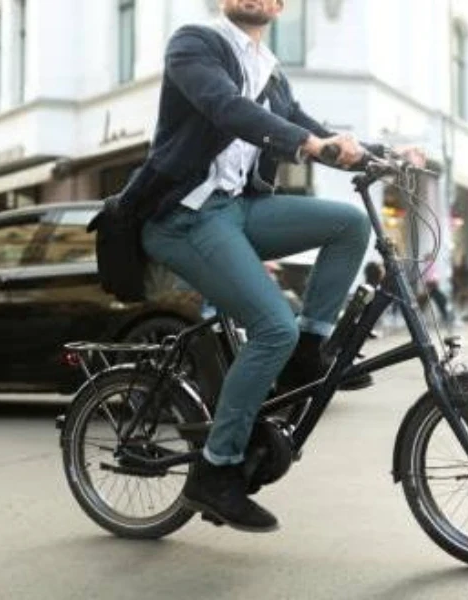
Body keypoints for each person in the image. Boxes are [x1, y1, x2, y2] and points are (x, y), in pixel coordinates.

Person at [120, 0, 426, 533]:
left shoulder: (273, 75)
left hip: (238, 210)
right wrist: (306, 143)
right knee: (270, 327)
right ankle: (215, 473)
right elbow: (227, 108)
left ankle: (309, 349)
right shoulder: (195, 43)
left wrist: (384, 152)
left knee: (348, 224)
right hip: (184, 215)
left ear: (281, 6)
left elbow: (315, 130)